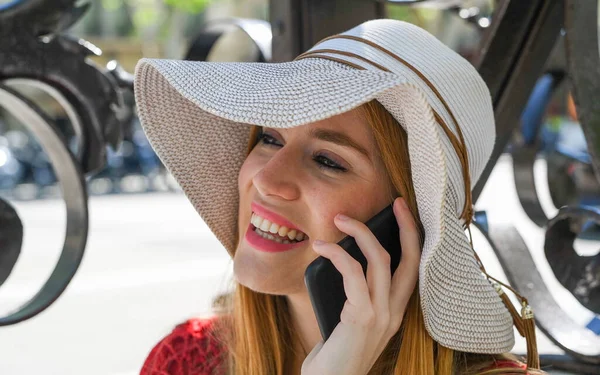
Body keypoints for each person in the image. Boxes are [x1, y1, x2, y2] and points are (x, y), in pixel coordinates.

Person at [134, 19, 544, 375]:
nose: (267, 178)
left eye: (328, 161)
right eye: (269, 138)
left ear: (408, 224)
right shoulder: (188, 361)